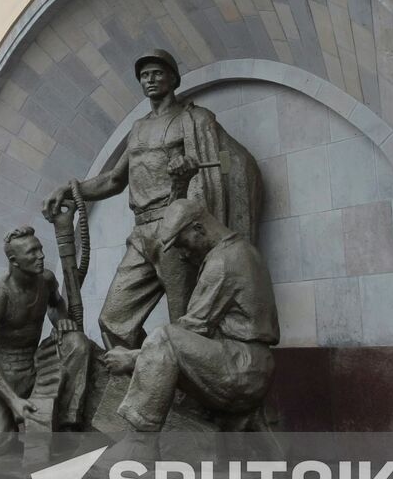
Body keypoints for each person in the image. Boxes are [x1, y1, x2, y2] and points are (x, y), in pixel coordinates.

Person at [41, 50, 261, 353]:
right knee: (113, 321)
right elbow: (114, 181)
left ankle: (186, 395)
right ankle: (148, 378)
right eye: (144, 75)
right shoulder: (139, 128)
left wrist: (192, 173)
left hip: (176, 233)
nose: (150, 79)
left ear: (173, 78)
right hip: (142, 233)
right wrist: (70, 188)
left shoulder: (194, 120)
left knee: (185, 325)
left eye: (157, 72)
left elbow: (233, 165)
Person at [106, 199, 280, 432]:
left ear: (198, 228)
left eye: (183, 244)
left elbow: (187, 332)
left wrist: (130, 358)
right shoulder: (242, 250)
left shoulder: (223, 262)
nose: (184, 255)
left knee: (165, 337)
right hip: (252, 365)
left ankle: (141, 442)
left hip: (242, 368)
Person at [0, 227, 81, 456]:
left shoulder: (46, 280)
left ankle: (67, 422)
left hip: (31, 366)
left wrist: (61, 321)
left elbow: (55, 304)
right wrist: (13, 400)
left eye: (40, 249)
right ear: (14, 260)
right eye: (32, 252)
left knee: (77, 343)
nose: (41, 256)